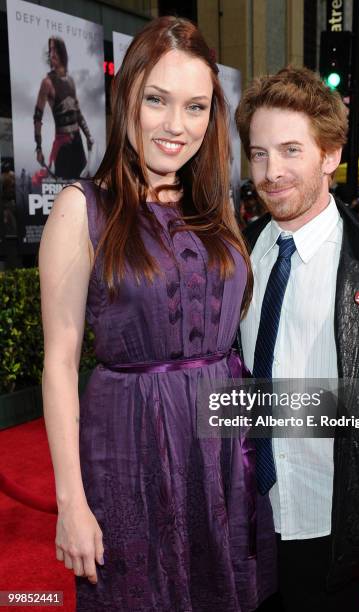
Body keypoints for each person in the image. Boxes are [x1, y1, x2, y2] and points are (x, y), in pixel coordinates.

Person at [39, 17, 276, 611]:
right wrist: (71, 502)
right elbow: (61, 362)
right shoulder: (82, 209)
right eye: (157, 100)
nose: (177, 126)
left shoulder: (212, 203)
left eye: (196, 107)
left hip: (222, 439)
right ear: (127, 100)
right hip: (131, 444)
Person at [235, 66, 359, 612]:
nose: (271, 172)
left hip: (334, 519)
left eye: (291, 150)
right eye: (258, 153)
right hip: (247, 516)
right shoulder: (236, 256)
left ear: (330, 155)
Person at [34, 37, 94, 179]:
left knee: (83, 187)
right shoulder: (47, 83)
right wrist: (38, 148)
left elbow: (77, 113)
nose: (52, 54)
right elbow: (37, 117)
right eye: (50, 50)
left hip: (77, 142)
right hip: (62, 146)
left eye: (55, 49)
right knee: (64, 190)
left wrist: (88, 136)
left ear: (62, 52)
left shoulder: (71, 81)